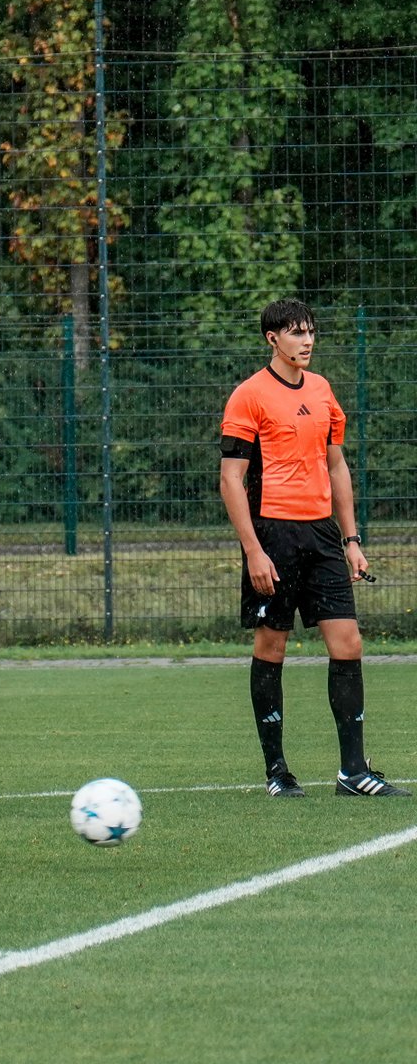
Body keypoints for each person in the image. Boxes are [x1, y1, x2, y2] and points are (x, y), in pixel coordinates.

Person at [220, 299, 410, 798]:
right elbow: (231, 480)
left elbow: (337, 466)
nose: (306, 340)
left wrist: (351, 540)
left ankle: (352, 771)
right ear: (272, 339)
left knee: (348, 643)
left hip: (323, 535)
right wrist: (254, 551)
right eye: (294, 332)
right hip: (274, 535)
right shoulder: (248, 396)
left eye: (310, 332)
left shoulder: (323, 390)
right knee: (272, 646)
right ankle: (278, 772)